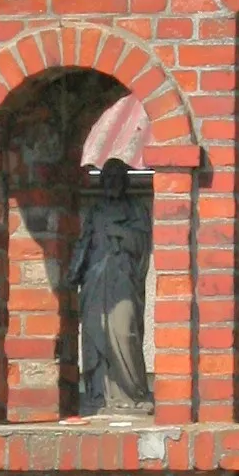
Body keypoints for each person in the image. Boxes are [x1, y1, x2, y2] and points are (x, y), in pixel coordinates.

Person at [67, 157, 153, 414]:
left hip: (123, 279)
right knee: (96, 331)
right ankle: (99, 395)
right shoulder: (95, 211)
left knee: (124, 330)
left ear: (125, 182)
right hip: (95, 280)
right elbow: (84, 242)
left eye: (117, 178)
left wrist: (120, 233)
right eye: (107, 178)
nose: (112, 183)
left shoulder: (136, 209)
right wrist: (74, 268)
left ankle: (134, 392)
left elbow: (142, 243)